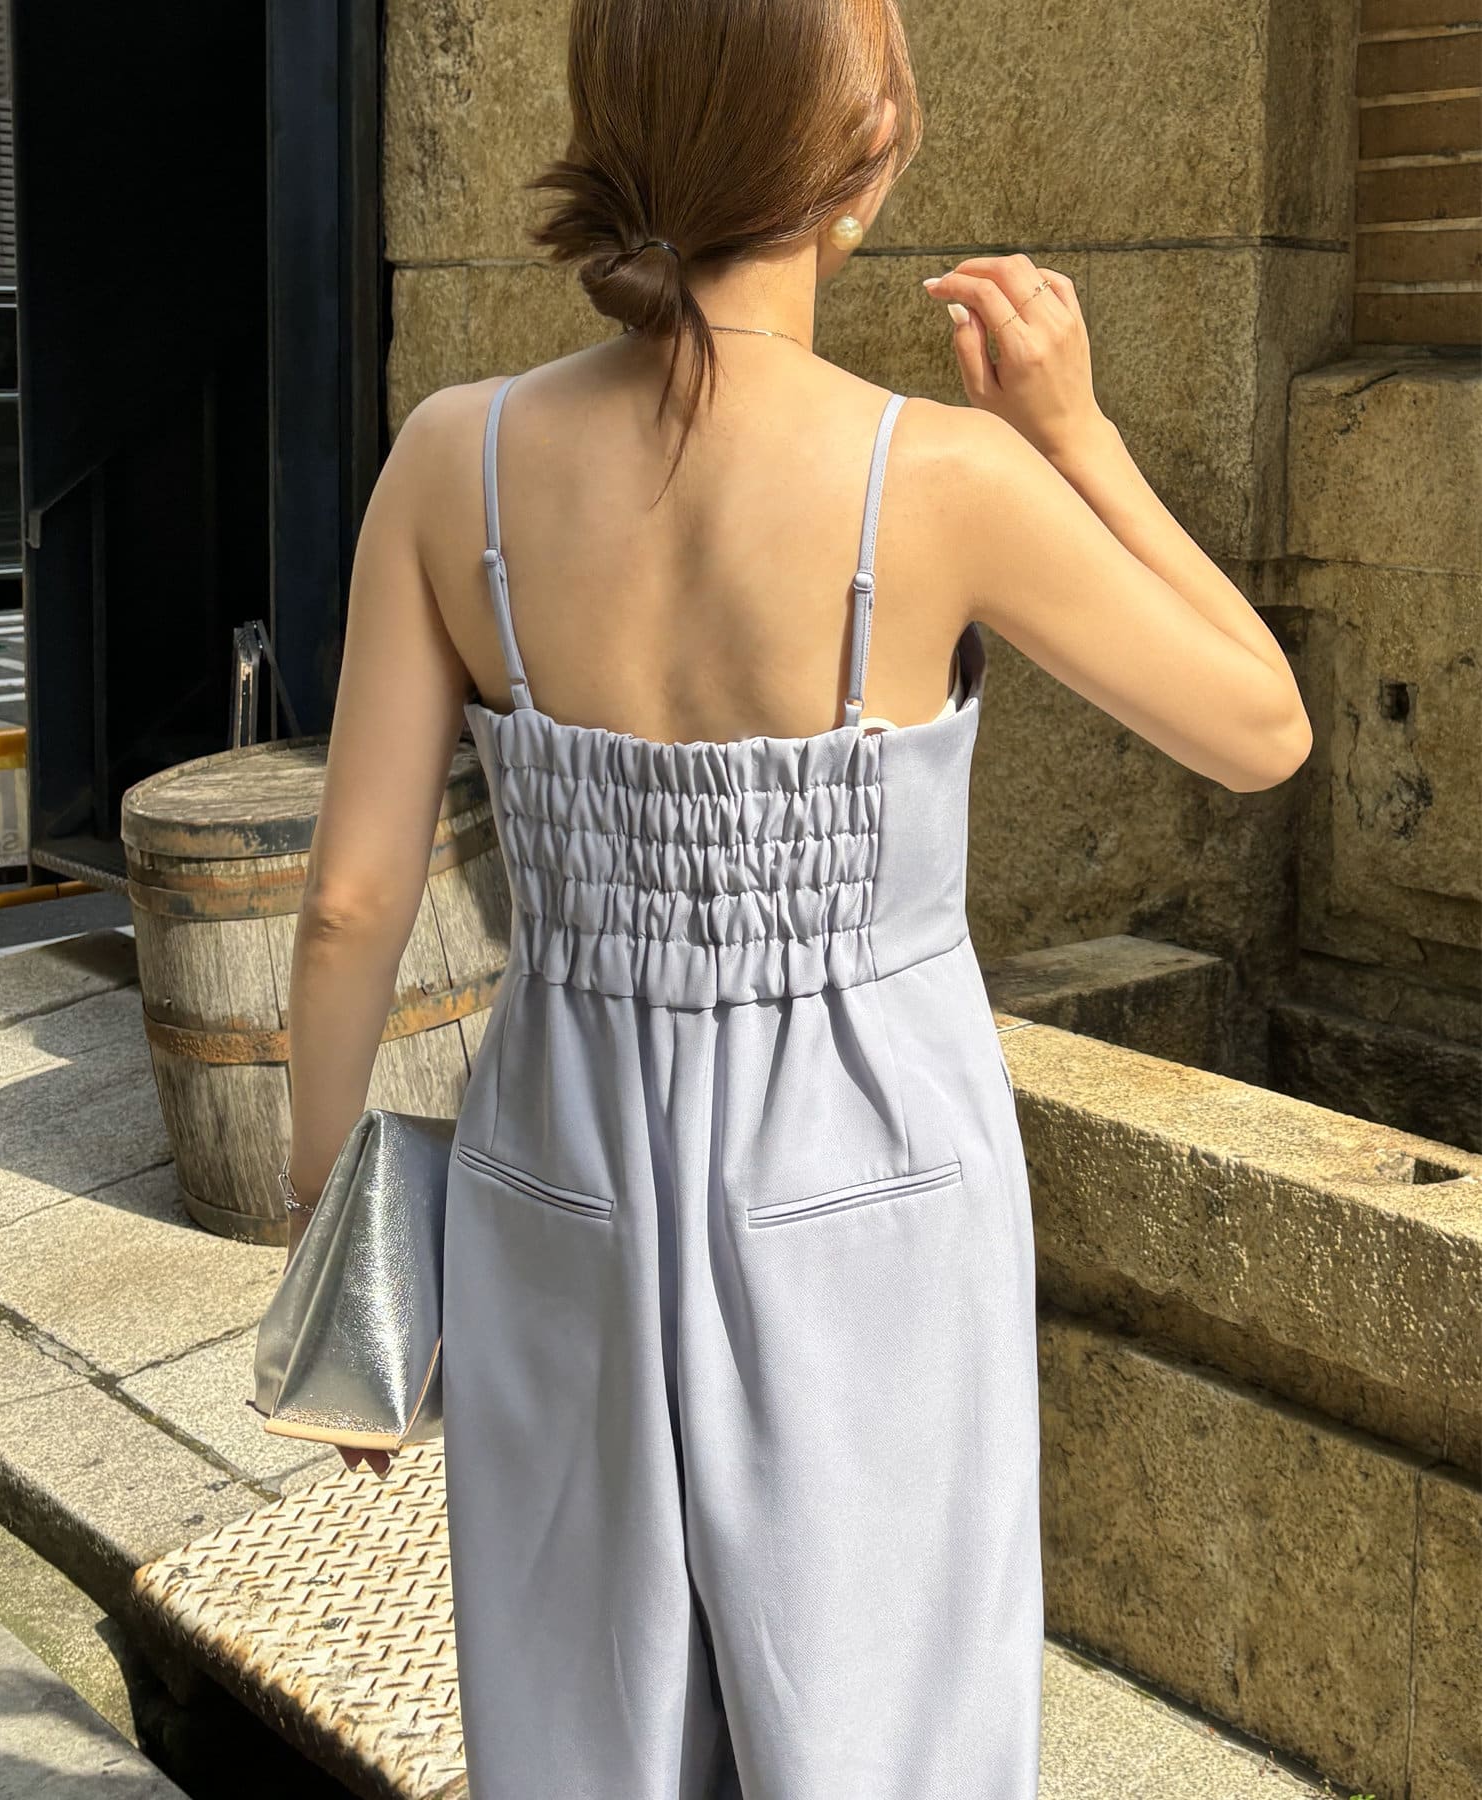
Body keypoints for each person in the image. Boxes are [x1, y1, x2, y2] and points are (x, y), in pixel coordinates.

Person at [273, 1, 1312, 1792]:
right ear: (861, 161)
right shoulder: (948, 477)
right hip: (871, 1167)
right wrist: (1078, 433)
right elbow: (1262, 728)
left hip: (559, 1153)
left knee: (580, 1713)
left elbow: (351, 904)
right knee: (883, 1724)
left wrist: (336, 1246)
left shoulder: (455, 459)